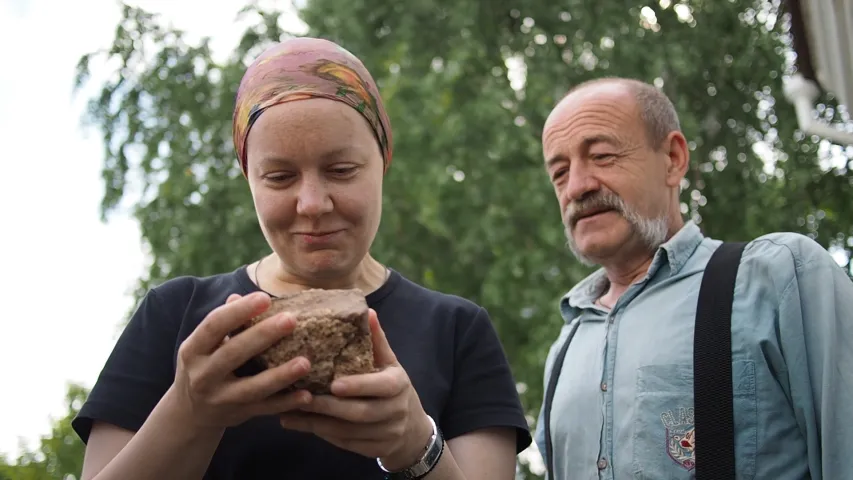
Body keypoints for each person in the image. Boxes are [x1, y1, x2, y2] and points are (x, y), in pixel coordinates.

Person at [72, 37, 531, 480]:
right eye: (279, 177)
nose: (311, 203)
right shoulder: (175, 314)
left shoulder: (457, 330)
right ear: (248, 179)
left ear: (384, 160)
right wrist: (190, 410)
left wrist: (414, 444)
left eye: (341, 170)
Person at [533, 77, 853, 479]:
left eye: (602, 156)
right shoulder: (566, 347)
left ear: (673, 158)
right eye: (559, 173)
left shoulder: (778, 279)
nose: (577, 186)